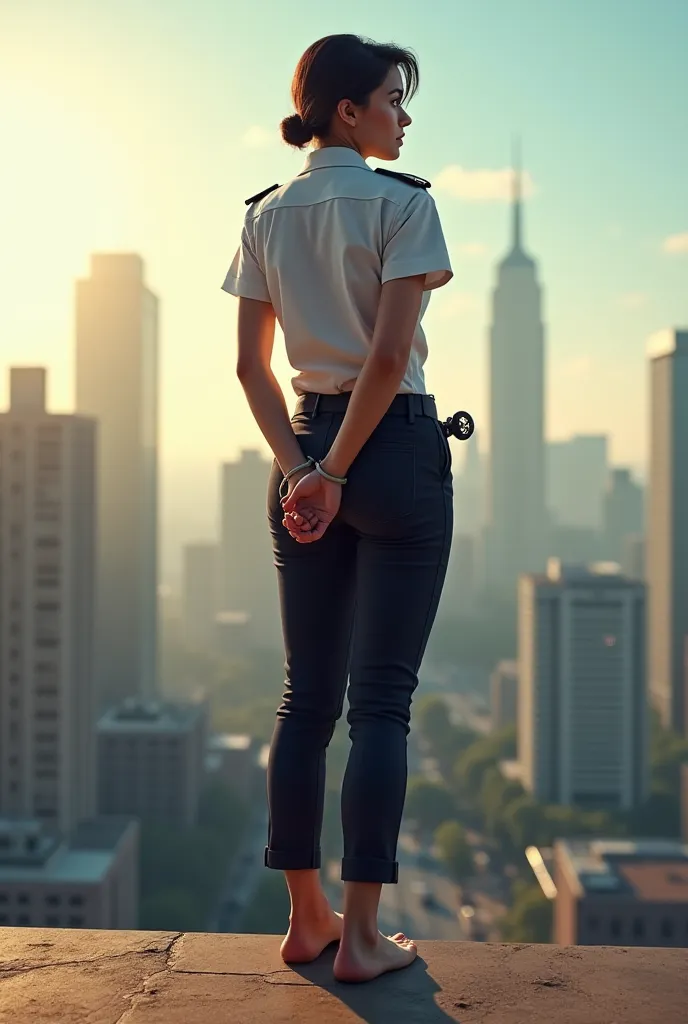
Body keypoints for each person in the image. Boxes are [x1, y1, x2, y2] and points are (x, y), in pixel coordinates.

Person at [221, 33, 454, 983]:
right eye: (395, 98)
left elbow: (249, 365)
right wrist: (343, 472)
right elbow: (390, 360)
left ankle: (305, 918)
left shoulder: (265, 214)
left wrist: (304, 470)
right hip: (390, 448)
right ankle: (361, 939)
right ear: (349, 110)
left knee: (304, 697)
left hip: (305, 444)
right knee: (382, 707)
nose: (405, 116)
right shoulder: (406, 205)